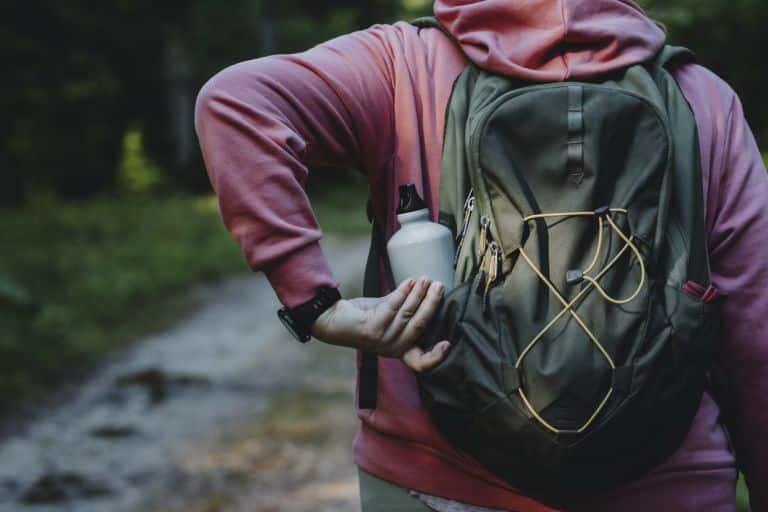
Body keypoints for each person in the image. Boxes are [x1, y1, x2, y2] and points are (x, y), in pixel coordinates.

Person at [194, 1, 768, 510]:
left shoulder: (401, 65)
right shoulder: (701, 97)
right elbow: (755, 332)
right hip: (667, 483)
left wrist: (315, 304)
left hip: (433, 480)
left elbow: (237, 103)